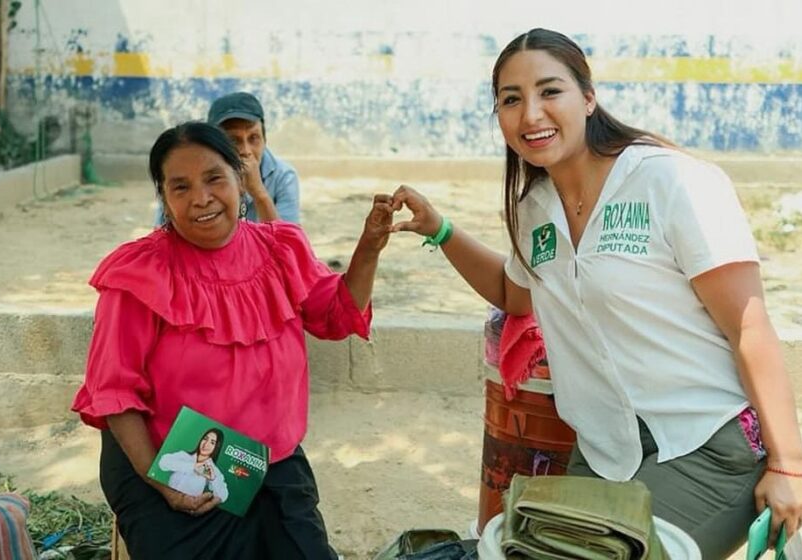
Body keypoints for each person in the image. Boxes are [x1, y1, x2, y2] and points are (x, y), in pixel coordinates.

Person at [389, 28, 802, 559]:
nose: (531, 114)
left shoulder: (671, 182)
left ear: (588, 97)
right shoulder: (533, 206)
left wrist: (788, 465)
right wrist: (441, 230)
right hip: (605, 451)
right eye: (511, 100)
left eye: (549, 91)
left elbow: (749, 325)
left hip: (706, 446)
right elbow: (515, 295)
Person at [72, 121, 393, 559]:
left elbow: (337, 315)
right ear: (164, 199)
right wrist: (161, 480)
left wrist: (370, 246)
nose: (201, 199)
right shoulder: (140, 275)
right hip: (169, 463)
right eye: (180, 187)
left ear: (240, 180)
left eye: (213, 178)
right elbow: (113, 395)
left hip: (268, 461)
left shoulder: (282, 249)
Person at [154, 92, 300, 226]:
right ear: (212, 145)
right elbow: (162, 234)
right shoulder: (184, 175)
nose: (245, 151)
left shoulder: (283, 176)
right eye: (234, 140)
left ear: (264, 140)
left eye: (254, 138)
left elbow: (288, 247)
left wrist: (259, 193)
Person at [159, 428, 229, 502]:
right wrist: (193, 466)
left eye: (212, 442)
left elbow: (222, 497)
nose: (206, 444)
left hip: (188, 505)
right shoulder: (184, 456)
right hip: (164, 496)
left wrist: (213, 479)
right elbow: (162, 463)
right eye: (205, 439)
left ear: (217, 447)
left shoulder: (213, 470)